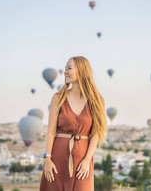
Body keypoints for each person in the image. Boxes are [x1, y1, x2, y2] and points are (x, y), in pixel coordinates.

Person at [40, 56, 106, 191]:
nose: (65, 72)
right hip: (56, 160)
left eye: (69, 69)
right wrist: (47, 159)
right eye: (65, 69)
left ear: (82, 71)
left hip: (83, 161)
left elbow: (96, 133)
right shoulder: (58, 98)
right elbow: (51, 131)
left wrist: (87, 160)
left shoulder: (97, 100)